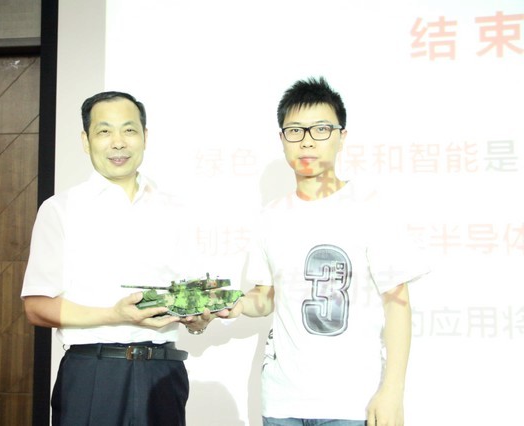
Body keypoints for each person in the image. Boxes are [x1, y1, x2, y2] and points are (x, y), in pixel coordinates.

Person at [228, 77, 428, 426]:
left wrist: (392, 391)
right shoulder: (270, 217)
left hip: (351, 402)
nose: (307, 141)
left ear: (341, 137)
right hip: (281, 403)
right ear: (282, 140)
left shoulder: (370, 210)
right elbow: (266, 296)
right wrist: (236, 305)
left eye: (321, 129)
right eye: (295, 130)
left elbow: (398, 304)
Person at [21, 91, 220, 426]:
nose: (118, 142)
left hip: (163, 372)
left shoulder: (176, 209)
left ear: (145, 137)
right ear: (85, 141)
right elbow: (36, 306)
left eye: (129, 130)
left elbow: (193, 293)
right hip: (94, 373)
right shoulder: (61, 209)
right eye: (104, 131)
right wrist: (114, 314)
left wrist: (198, 319)